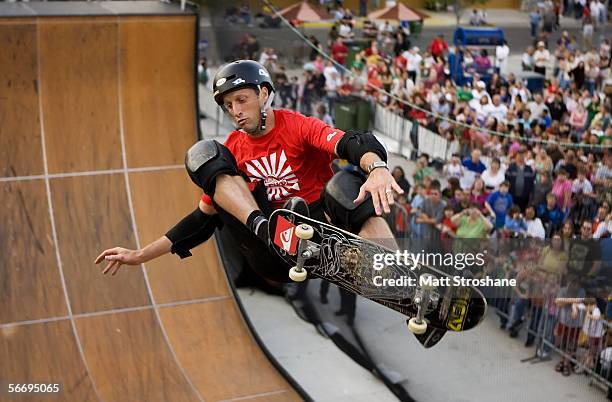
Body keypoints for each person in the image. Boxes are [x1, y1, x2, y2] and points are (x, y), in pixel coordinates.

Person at [95, 60, 401, 283]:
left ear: (264, 95)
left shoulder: (296, 125)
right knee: (206, 154)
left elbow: (352, 142)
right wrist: (139, 255)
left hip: (321, 229)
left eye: (242, 100)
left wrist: (377, 167)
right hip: (271, 247)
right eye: (228, 105)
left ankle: (398, 276)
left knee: (346, 184)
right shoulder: (233, 150)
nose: (236, 111)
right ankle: (268, 227)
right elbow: (201, 220)